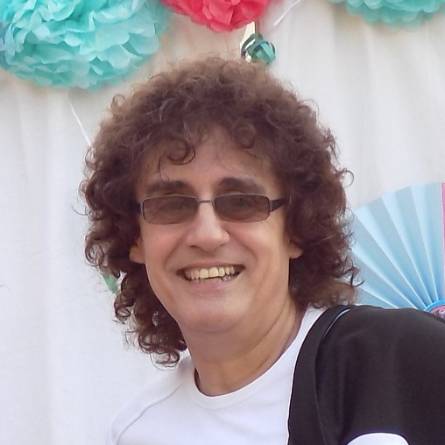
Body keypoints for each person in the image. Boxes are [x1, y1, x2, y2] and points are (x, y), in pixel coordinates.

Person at [82, 57, 445, 445]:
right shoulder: (138, 433)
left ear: (295, 229)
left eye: (241, 202)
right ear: (135, 238)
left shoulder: (405, 363)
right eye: (171, 205)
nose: (207, 234)